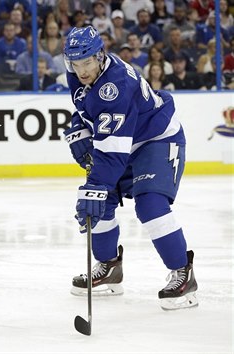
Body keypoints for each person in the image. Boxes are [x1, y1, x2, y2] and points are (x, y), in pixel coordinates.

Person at [62, 26, 198, 310]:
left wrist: (95, 188)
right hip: (126, 140)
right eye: (75, 64)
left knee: (149, 204)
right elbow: (86, 108)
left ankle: (183, 273)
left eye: (87, 62)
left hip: (157, 138)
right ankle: (110, 268)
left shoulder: (115, 86)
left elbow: (112, 153)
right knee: (102, 204)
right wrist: (78, 127)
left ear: (100, 56)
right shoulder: (79, 73)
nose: (81, 70)